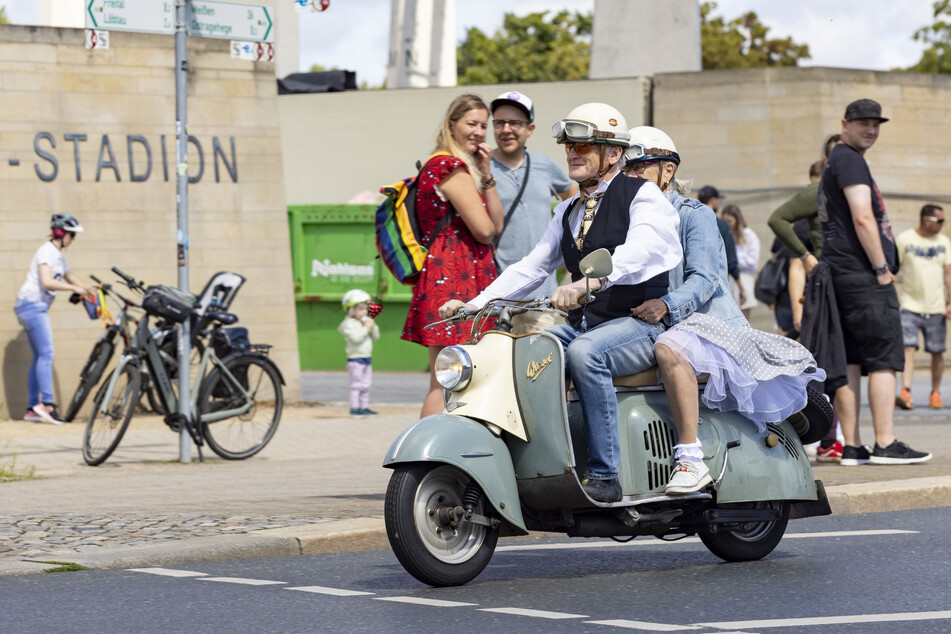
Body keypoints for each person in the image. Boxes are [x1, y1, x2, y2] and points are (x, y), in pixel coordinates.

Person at [440, 103, 683, 503]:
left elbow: (643, 248)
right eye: (569, 145)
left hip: (639, 324)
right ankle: (543, 462)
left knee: (587, 353)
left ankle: (607, 475)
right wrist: (475, 302)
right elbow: (533, 265)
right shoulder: (569, 210)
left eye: (584, 145)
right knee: (525, 352)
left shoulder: (643, 197)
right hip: (590, 323)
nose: (573, 152)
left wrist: (593, 280)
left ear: (613, 153)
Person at [623, 127, 824, 494]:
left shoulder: (694, 214)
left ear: (667, 171)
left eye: (640, 167)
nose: (631, 176)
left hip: (702, 321)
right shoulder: (626, 217)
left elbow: (704, 280)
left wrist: (666, 304)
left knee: (669, 350)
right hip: (653, 319)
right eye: (626, 169)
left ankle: (690, 460)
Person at [817, 98, 931, 465]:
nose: (870, 129)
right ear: (845, 124)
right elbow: (863, 217)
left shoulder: (837, 159)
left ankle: (853, 446)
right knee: (883, 359)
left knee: (850, 360)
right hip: (863, 275)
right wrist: (882, 269)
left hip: (842, 274)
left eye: (876, 124)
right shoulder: (849, 159)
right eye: (863, 123)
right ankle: (885, 442)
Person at [401, 94, 505, 417]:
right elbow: (486, 230)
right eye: (471, 123)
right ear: (451, 125)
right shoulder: (450, 166)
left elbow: (497, 224)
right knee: (446, 380)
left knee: (450, 376)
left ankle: (438, 458)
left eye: (483, 126)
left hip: (447, 277)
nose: (479, 131)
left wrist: (486, 175)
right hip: (455, 279)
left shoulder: (444, 166)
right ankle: (425, 460)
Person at [489, 90, 577, 334]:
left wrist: (569, 249)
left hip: (541, 294)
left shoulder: (545, 165)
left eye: (515, 123)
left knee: (536, 368)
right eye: (499, 122)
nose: (507, 129)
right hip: (495, 295)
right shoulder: (481, 167)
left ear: (530, 128)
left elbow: (574, 199)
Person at [15, 213, 92, 424]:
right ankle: (47, 405)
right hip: (31, 306)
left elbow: (72, 278)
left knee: (39, 356)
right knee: (47, 354)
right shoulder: (46, 252)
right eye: (72, 235)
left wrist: (91, 289)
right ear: (62, 233)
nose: (73, 240)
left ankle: (32, 409)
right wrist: (73, 288)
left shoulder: (58, 256)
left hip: (33, 307)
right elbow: (47, 282)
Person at [894, 204, 951, 411]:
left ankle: (935, 392)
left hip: (936, 306)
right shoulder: (905, 239)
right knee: (908, 348)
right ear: (927, 220)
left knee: (937, 352)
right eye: (940, 220)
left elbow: (948, 274)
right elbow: (893, 269)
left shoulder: (944, 242)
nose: (943, 224)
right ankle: (905, 391)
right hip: (909, 304)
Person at [338, 289, 381, 418]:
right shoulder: (348, 324)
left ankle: (364, 407)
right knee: (356, 385)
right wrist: (366, 328)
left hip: (366, 357)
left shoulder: (364, 322)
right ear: (351, 310)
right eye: (360, 309)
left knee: (365, 385)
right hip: (355, 359)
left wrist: (372, 327)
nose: (364, 312)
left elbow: (376, 337)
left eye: (365, 309)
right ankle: (354, 409)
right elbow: (355, 338)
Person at [698, 184, 743, 303]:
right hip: (717, 285)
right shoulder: (721, 225)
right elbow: (731, 260)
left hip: (694, 284)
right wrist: (741, 287)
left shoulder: (691, 221)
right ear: (713, 200)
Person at [721, 204, 760, 319]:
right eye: (724, 221)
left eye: (729, 221)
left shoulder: (749, 235)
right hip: (728, 279)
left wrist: (732, 258)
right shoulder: (725, 234)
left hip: (743, 278)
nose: (727, 224)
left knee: (744, 319)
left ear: (737, 220)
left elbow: (752, 262)